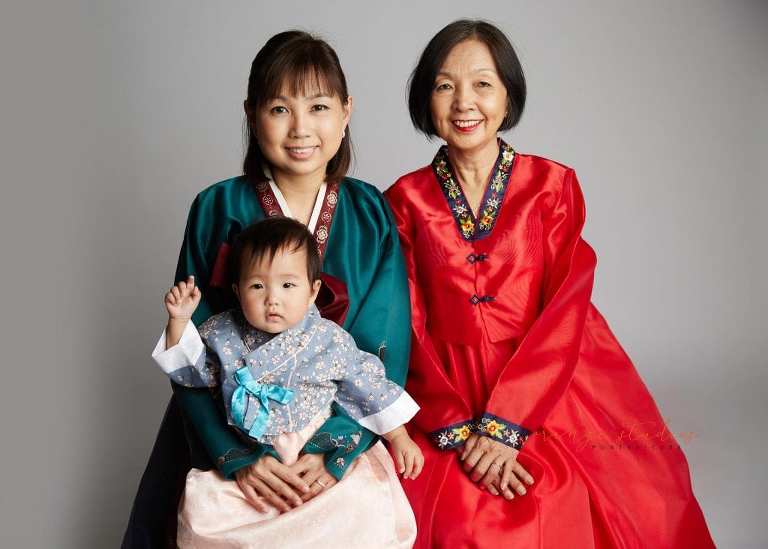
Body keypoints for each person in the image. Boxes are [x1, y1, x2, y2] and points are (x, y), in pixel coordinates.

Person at [384, 19, 715, 548]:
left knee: (627, 504)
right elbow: (405, 319)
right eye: (445, 85)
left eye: (483, 84)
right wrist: (454, 424)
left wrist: (506, 426)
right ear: (427, 100)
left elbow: (566, 307)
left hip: (546, 375)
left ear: (510, 97)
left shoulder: (552, 186)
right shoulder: (403, 199)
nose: (464, 101)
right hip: (444, 385)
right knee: (448, 518)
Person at [122, 31, 414, 548]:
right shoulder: (217, 207)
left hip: (335, 433)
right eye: (280, 108)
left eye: (319, 107)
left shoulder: (370, 213)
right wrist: (238, 458)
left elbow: (381, 343)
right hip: (225, 431)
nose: (301, 128)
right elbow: (190, 346)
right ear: (252, 114)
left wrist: (334, 447)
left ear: (346, 113)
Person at [151, 218, 421, 546]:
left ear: (313, 291)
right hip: (252, 447)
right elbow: (188, 374)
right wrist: (179, 320)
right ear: (237, 291)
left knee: (359, 507)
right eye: (257, 286)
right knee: (211, 515)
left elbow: (368, 388)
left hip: (313, 442)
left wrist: (400, 436)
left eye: (288, 285)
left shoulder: (329, 340)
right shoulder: (222, 334)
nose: (272, 299)